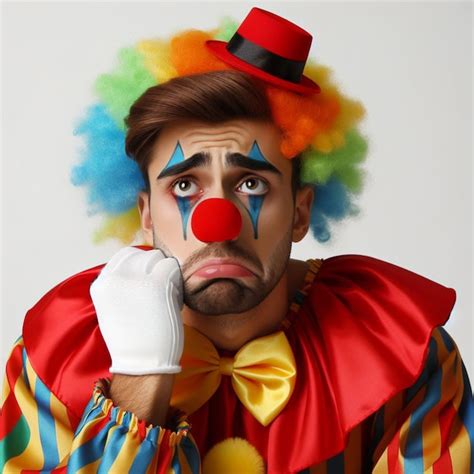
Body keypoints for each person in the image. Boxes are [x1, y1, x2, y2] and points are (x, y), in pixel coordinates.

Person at [1, 7, 473, 473]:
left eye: (252, 184)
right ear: (146, 214)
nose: (217, 220)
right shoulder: (55, 354)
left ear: (299, 212)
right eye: (185, 185)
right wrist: (138, 380)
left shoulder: (402, 349)